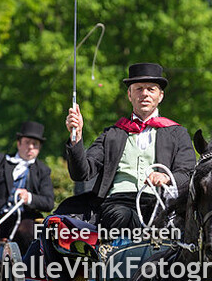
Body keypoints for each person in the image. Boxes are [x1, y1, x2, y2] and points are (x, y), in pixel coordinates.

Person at [64, 62, 196, 230]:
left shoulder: (177, 134)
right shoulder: (112, 134)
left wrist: (167, 178)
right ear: (129, 94)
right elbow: (82, 173)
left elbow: (188, 172)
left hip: (159, 203)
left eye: (151, 89)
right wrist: (77, 137)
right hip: (117, 203)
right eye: (139, 89)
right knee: (123, 215)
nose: (145, 94)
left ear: (160, 96)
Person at [0, 121, 54, 253]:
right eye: (27, 142)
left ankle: (26, 270)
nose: (30, 147)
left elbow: (49, 202)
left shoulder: (43, 170)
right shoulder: (1, 160)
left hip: (24, 217)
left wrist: (29, 197)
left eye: (34, 144)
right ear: (19, 143)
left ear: (39, 148)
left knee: (26, 232)